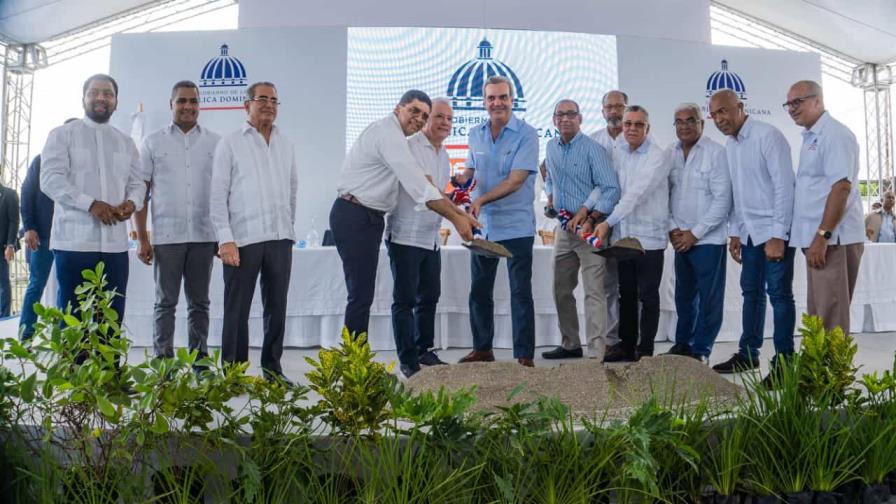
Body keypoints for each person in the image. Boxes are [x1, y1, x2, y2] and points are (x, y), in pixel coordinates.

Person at [330, 90, 476, 338]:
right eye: (414, 111)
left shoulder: (398, 136)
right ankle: (354, 359)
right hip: (355, 213)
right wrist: (457, 219)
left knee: (363, 294)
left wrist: (461, 215)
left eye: (424, 115)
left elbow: (429, 186)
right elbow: (421, 188)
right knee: (361, 295)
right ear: (398, 108)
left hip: (370, 217)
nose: (419, 119)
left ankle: (358, 355)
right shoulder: (389, 135)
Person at [210, 81, 297, 384]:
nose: (269, 105)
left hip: (279, 237)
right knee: (237, 309)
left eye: (274, 100)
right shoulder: (230, 143)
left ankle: (272, 368)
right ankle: (233, 373)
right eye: (262, 99)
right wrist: (225, 239)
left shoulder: (285, 143)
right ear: (246, 105)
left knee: (277, 307)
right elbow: (217, 195)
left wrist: (289, 228)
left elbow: (292, 190)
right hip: (243, 240)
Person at [40, 73, 145, 324]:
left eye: (108, 94)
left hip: (115, 247)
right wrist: (91, 204)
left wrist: (131, 203)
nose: (101, 98)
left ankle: (109, 354)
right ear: (83, 99)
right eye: (94, 93)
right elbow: (50, 180)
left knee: (111, 320)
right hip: (74, 244)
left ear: (116, 102)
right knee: (74, 321)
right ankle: (75, 354)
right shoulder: (62, 135)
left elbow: (137, 183)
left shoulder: (125, 142)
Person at [708, 89, 796, 377]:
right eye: (714, 114)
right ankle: (748, 355)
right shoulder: (731, 145)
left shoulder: (768, 136)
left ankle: (784, 364)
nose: (719, 119)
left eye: (723, 111)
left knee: (779, 295)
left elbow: (784, 187)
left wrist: (779, 235)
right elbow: (737, 193)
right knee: (751, 294)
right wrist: (735, 232)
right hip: (748, 234)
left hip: (773, 232)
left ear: (740, 106)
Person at [133, 80, 221, 363]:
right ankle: (164, 364)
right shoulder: (152, 142)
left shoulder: (215, 142)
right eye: (182, 101)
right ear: (171, 104)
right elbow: (141, 192)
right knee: (165, 303)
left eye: (193, 101)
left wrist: (224, 236)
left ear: (199, 105)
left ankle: (200, 362)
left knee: (200, 304)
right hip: (167, 237)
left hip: (204, 236)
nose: (188, 106)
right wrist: (142, 239)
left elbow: (224, 193)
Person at [456, 76, 539, 367]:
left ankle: (524, 356)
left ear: (512, 100)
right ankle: (482, 349)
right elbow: (470, 170)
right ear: (484, 102)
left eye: (503, 97)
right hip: (484, 227)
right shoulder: (475, 134)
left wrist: (479, 200)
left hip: (517, 226)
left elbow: (516, 180)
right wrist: (460, 182)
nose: (497, 103)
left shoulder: (527, 134)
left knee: (520, 293)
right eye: (491, 98)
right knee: (479, 291)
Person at [541, 99, 619, 361]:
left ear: (580, 118)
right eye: (560, 115)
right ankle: (570, 343)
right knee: (560, 289)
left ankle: (597, 351)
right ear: (554, 120)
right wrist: (550, 197)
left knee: (594, 291)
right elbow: (550, 179)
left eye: (571, 114)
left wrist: (590, 215)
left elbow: (610, 189)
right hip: (564, 230)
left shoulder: (593, 149)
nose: (565, 119)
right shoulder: (551, 147)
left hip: (590, 230)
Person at [385, 98, 457, 378]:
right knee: (404, 301)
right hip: (406, 236)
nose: (444, 123)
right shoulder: (411, 147)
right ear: (427, 119)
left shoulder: (445, 154)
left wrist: (458, 210)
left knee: (429, 297)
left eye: (449, 119)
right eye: (439, 116)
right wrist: (460, 217)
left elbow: (440, 193)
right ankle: (408, 360)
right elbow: (427, 191)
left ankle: (423, 349)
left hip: (431, 238)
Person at [593, 105, 672, 362]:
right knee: (625, 293)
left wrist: (607, 222)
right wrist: (589, 213)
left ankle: (645, 349)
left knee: (647, 295)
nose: (632, 129)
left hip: (649, 238)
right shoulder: (618, 151)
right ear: (622, 126)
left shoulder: (658, 156)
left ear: (648, 128)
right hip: (624, 236)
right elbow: (608, 186)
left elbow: (636, 194)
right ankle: (626, 346)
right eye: (628, 124)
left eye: (639, 124)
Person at [786, 80, 864, 335]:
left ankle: (830, 363)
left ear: (817, 101)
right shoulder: (813, 135)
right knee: (819, 315)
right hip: (820, 241)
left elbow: (841, 188)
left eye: (798, 102)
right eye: (789, 104)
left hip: (833, 241)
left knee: (831, 316)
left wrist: (822, 236)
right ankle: (818, 362)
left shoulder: (835, 135)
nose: (791, 108)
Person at [665, 103, 732, 363]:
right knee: (684, 297)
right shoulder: (670, 153)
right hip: (679, 238)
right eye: (679, 121)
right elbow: (664, 195)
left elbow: (723, 200)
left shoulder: (716, 153)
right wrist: (673, 228)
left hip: (708, 240)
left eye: (690, 120)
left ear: (702, 123)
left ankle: (701, 349)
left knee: (709, 300)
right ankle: (683, 344)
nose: (684, 126)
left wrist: (694, 234)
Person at [589, 90, 628, 348]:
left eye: (619, 106)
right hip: (600, 221)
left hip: (628, 220)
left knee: (630, 283)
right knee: (606, 283)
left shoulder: (637, 138)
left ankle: (630, 338)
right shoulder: (593, 141)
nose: (614, 111)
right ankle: (610, 340)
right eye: (609, 107)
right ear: (602, 111)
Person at [0, 182, 18, 318]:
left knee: (3, 281)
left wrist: (10, 245)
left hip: (3, 246)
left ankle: (3, 316)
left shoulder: (9, 194)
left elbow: (14, 221)